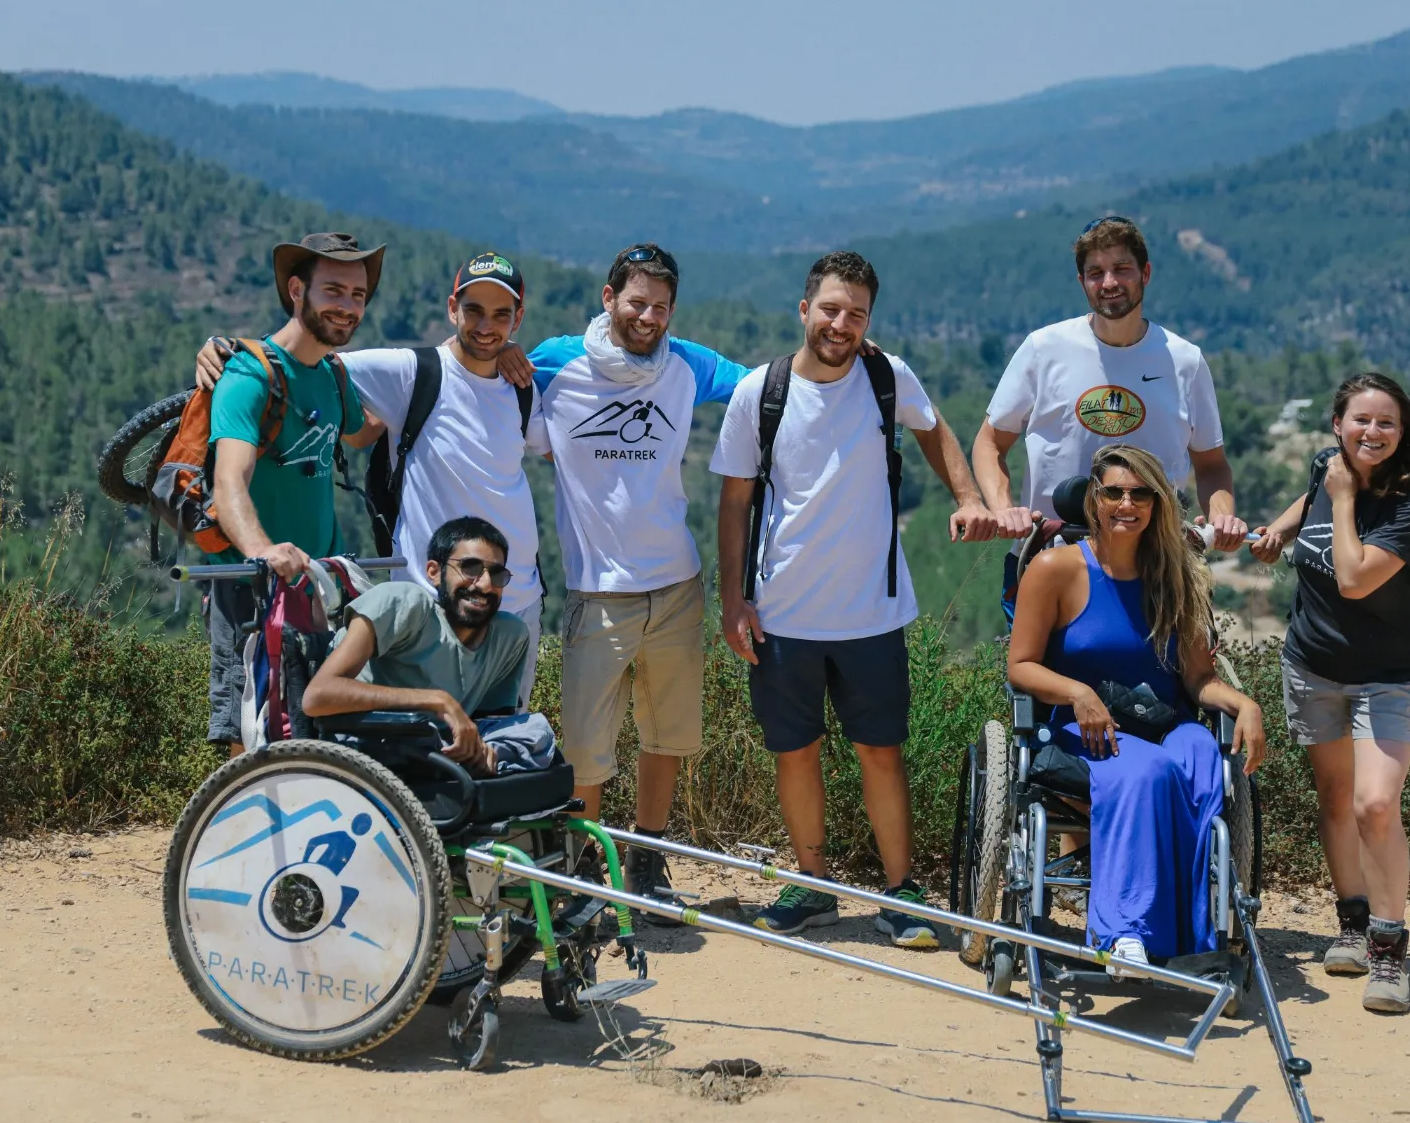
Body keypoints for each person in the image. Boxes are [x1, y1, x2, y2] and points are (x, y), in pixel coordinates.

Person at [712, 251, 997, 948]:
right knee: (795, 752)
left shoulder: (885, 375)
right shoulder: (761, 391)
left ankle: (901, 895)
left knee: (883, 752)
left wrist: (967, 497)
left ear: (869, 320)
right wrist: (732, 600)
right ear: (804, 309)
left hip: (872, 610)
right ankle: (813, 886)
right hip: (783, 613)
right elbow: (734, 499)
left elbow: (934, 429)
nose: (842, 323)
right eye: (831, 308)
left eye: (857, 313)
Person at [196, 252, 548, 710]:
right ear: (452, 309)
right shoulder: (408, 371)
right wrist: (226, 348)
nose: (486, 325)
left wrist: (503, 350)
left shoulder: (525, 386)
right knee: (416, 741)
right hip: (429, 600)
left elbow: (349, 412)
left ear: (519, 317)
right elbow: (300, 357)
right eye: (474, 310)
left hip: (515, 602)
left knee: (497, 745)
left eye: (501, 314)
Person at [525, 243, 752, 914]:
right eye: (636, 301)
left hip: (677, 581)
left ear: (672, 309)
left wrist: (850, 350)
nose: (647, 316)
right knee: (586, 749)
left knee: (667, 734)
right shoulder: (554, 361)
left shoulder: (687, 364)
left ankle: (647, 857)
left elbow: (768, 384)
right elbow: (480, 369)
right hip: (597, 589)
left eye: (660, 305)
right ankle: (583, 861)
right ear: (608, 297)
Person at [1006, 445, 1264, 970]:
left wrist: (1245, 703)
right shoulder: (1055, 569)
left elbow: (1197, 678)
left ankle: (1191, 934)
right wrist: (1078, 693)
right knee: (1146, 773)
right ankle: (1125, 932)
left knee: (1199, 765)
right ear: (1093, 501)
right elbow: (1022, 666)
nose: (1127, 504)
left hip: (1165, 723)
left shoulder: (1178, 576)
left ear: (1157, 504)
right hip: (1083, 726)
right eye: (1114, 492)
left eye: (1140, 493)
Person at [1250, 372, 1410, 1015]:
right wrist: (1277, 530)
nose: (1374, 432)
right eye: (1361, 420)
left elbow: (1356, 578)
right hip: (1313, 665)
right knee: (1335, 799)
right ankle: (1353, 924)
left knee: (1375, 806)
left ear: (1405, 432)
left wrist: (1341, 499)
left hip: (1391, 674)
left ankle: (1390, 951)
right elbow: (1308, 501)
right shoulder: (1325, 472)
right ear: (1338, 425)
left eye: (1388, 422)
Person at [972, 215, 1245, 550]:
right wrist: (1003, 510)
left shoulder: (1184, 361)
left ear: (1146, 273)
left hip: (1156, 563)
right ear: (1082, 281)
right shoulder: (1043, 350)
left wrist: (1222, 518)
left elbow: (1212, 465)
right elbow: (989, 443)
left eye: (1122, 268)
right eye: (1096, 273)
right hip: (1048, 557)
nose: (1109, 282)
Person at [204, 232, 373, 756]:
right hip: (254, 586)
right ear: (297, 290)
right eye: (334, 291)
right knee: (250, 735)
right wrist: (262, 550)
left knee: (324, 732)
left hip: (321, 583)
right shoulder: (250, 373)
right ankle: (235, 835)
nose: (347, 307)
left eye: (358, 295)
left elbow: (364, 429)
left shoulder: (332, 374)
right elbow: (229, 479)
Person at [302, 516, 536, 778]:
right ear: (434, 572)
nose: (484, 584)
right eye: (470, 568)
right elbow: (318, 696)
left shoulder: (509, 636)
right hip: (369, 746)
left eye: (497, 574)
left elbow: (491, 721)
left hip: (440, 747)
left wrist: (484, 748)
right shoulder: (404, 603)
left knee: (536, 732)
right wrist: (436, 701)